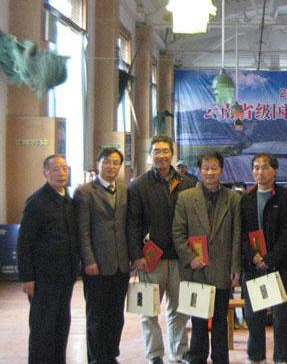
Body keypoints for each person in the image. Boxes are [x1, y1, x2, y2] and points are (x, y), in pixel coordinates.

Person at [127, 135, 196, 364]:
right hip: (150, 260)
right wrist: (137, 255)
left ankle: (179, 352)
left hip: (180, 258)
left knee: (179, 310)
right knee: (148, 311)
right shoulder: (139, 185)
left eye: (165, 151)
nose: (161, 155)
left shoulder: (187, 183)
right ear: (150, 155)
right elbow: (132, 224)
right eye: (156, 151)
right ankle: (154, 354)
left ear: (172, 154)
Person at [172, 151, 241, 364]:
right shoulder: (186, 198)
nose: (210, 172)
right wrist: (189, 257)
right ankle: (197, 358)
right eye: (205, 168)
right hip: (196, 269)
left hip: (222, 268)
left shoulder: (233, 198)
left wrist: (235, 267)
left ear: (221, 170)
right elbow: (178, 232)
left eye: (214, 168)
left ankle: (221, 358)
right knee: (199, 321)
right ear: (199, 170)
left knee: (220, 320)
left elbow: (237, 235)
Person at [17, 155, 79, 364]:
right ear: (45, 173)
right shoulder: (37, 202)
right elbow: (24, 242)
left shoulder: (68, 200)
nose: (61, 173)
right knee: (42, 329)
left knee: (61, 326)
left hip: (65, 276)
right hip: (43, 279)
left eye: (64, 169)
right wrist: (27, 277)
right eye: (55, 169)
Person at [240, 153, 287, 364]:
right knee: (253, 315)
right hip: (252, 265)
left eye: (265, 167)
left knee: (280, 316)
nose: (260, 172)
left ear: (275, 171)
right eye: (256, 168)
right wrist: (253, 256)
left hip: (277, 266)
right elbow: (240, 233)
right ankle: (256, 356)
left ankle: (281, 357)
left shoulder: (286, 198)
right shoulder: (245, 198)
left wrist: (271, 258)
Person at [74, 147, 130, 364]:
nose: (111, 166)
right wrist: (89, 260)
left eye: (116, 163)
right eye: (107, 162)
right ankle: (97, 359)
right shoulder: (85, 192)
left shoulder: (125, 189)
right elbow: (82, 231)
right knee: (97, 316)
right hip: (97, 265)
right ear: (98, 164)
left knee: (116, 315)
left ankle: (111, 355)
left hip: (121, 264)